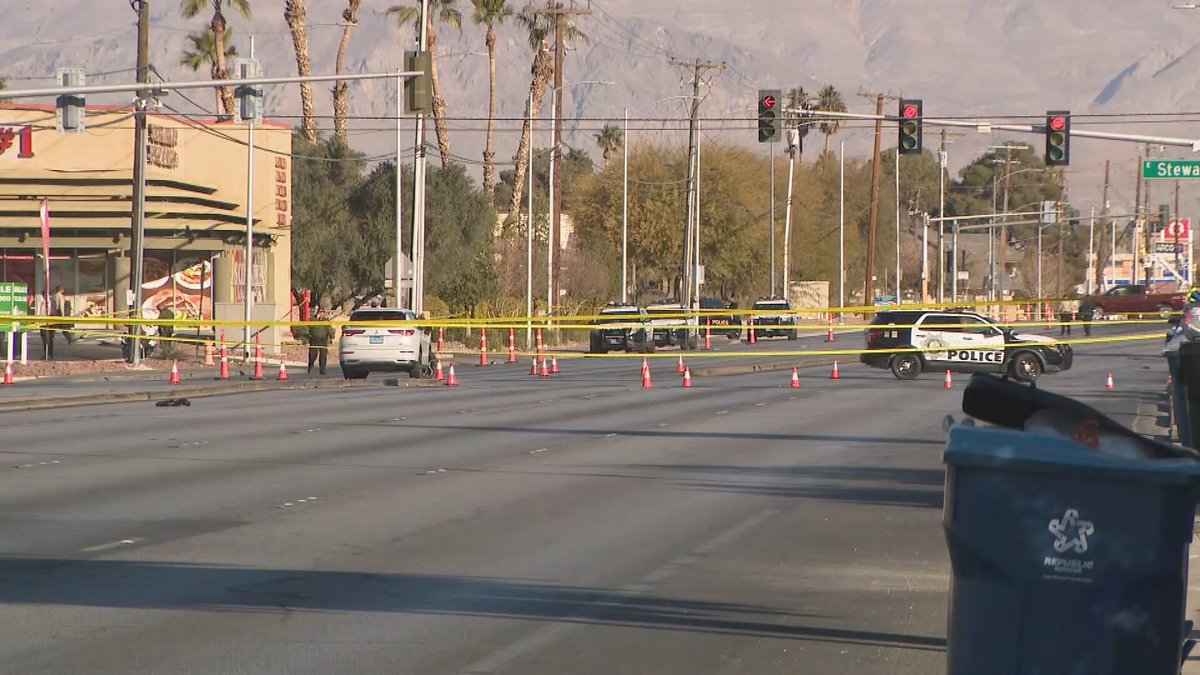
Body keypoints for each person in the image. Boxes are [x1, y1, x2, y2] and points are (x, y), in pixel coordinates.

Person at [307, 309, 334, 375]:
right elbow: (307, 328)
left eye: (323, 312)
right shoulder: (312, 320)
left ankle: (322, 369)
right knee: (312, 355)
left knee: (323, 356)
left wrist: (331, 337)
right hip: (314, 340)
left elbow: (330, 330)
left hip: (323, 340)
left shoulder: (326, 321)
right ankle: (310, 366)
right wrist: (306, 338)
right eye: (320, 312)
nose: (321, 314)